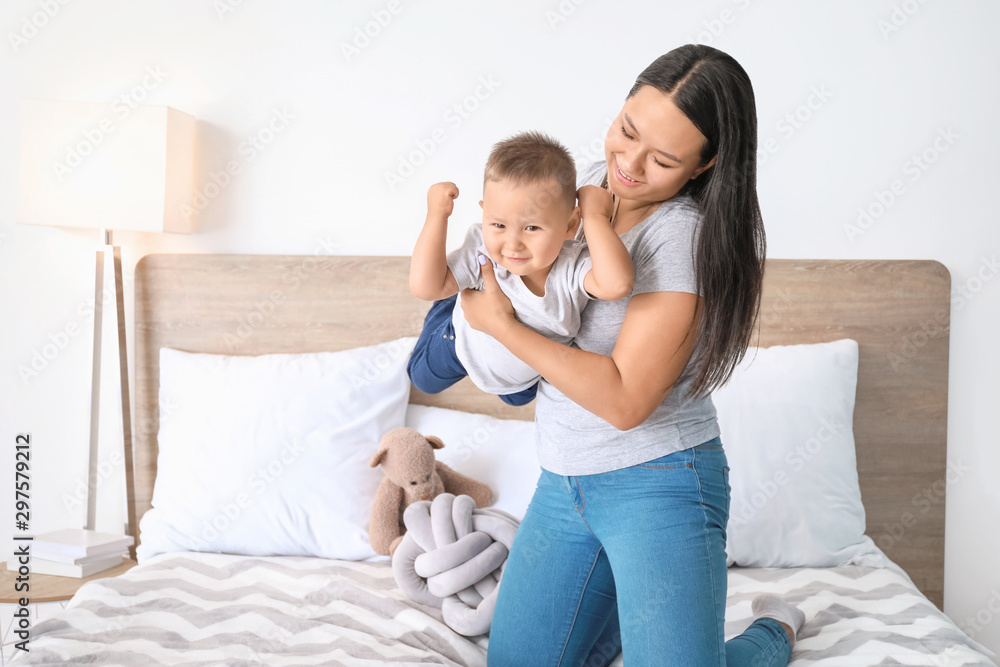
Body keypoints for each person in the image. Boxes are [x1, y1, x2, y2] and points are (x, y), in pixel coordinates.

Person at [460, 46, 807, 666]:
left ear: (705, 165)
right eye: (627, 130)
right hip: (564, 481)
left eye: (663, 159)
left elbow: (624, 401)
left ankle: (773, 629)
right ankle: (640, 621)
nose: (629, 164)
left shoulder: (680, 236)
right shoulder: (581, 186)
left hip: (658, 485)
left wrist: (502, 327)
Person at [407, 131, 634, 407]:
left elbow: (617, 284)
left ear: (571, 225)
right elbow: (425, 287)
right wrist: (437, 215)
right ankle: (451, 301)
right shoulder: (481, 249)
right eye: (498, 225)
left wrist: (595, 217)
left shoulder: (572, 266)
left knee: (516, 400)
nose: (512, 244)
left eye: (532, 228)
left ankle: (458, 285)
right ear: (484, 214)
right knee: (421, 379)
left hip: (522, 377)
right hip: (464, 344)